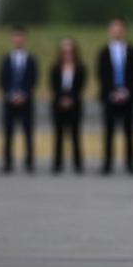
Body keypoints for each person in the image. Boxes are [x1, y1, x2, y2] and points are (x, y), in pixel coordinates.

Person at [97, 18, 133, 175]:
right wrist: (113, 92)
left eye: (120, 28)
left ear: (124, 31)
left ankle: (130, 163)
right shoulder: (104, 52)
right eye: (114, 28)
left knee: (129, 131)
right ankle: (107, 163)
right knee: (109, 131)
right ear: (109, 31)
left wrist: (126, 91)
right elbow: (101, 74)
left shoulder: (132, 51)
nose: (117, 31)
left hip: (128, 96)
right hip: (110, 96)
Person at [0, 25, 38, 173]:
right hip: (10, 102)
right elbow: (2, 80)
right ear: (12, 39)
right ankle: (7, 163)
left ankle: (29, 162)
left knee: (28, 133)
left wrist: (24, 95)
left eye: (21, 36)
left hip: (26, 102)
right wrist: (11, 95)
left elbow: (33, 79)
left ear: (25, 39)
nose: (18, 39)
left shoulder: (31, 59)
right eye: (15, 36)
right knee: (8, 133)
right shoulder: (6, 59)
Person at [49, 38, 87, 173]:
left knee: (75, 135)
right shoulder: (55, 68)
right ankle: (57, 164)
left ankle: (78, 164)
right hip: (58, 105)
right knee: (58, 135)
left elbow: (80, 87)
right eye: (64, 51)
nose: (67, 54)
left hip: (75, 105)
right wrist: (62, 99)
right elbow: (53, 86)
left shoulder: (80, 68)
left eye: (70, 51)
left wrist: (71, 99)